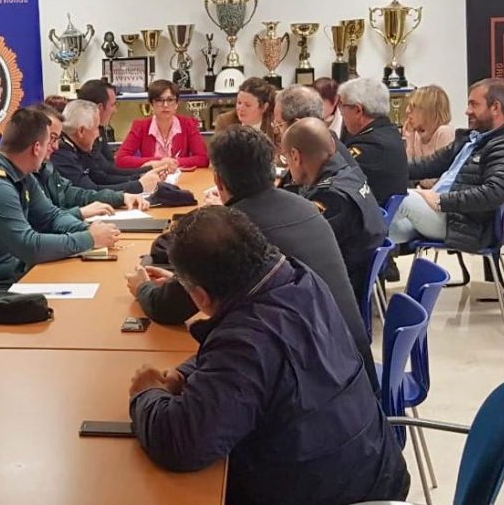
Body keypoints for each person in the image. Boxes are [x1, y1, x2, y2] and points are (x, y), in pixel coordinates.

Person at [128, 207, 409, 505]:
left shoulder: (244, 341)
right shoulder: (299, 278)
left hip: (329, 493)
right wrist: (187, 373)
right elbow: (259, 365)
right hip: (375, 472)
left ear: (200, 298)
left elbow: (184, 443)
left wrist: (146, 392)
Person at [127, 126, 379, 393]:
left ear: (219, 180)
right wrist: (185, 282)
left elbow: (167, 308)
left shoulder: (231, 230)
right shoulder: (304, 205)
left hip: (316, 387)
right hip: (351, 372)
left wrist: (142, 287)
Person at [0, 108, 121, 314]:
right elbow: (30, 247)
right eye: (50, 141)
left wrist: (88, 229)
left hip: (8, 274)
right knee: (74, 312)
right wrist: (89, 239)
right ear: (36, 147)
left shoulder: (20, 175)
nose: (54, 148)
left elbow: (51, 217)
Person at [389, 78, 504, 252]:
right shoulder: (471, 138)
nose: (467, 111)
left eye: (474, 105)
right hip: (442, 215)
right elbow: (429, 164)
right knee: (368, 233)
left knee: (400, 198)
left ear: (495, 108)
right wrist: (385, 170)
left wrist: (442, 200)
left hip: (464, 225)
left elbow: (494, 193)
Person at [282, 118, 387, 304]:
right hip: (352, 279)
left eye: (286, 160)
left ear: (295, 156)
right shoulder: (348, 174)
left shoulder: (331, 198)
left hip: (337, 298)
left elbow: (300, 250)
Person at [32, 102, 150, 218]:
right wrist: (82, 216)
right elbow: (43, 220)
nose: (55, 146)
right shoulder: (59, 156)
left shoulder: (47, 168)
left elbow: (78, 194)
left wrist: (121, 197)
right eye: (52, 138)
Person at [54, 99, 164, 194]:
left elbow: (100, 177)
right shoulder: (61, 153)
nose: (98, 134)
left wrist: (143, 174)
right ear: (81, 131)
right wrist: (139, 185)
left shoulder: (78, 147)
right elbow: (90, 191)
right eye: (96, 128)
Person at [339, 77, 409, 206]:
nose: (341, 113)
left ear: (358, 110)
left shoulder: (371, 145)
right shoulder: (387, 131)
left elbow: (334, 175)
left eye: (342, 106)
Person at [75, 79, 167, 176]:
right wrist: (142, 180)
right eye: (113, 104)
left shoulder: (99, 130)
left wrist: (148, 169)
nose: (115, 110)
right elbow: (103, 178)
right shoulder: (84, 138)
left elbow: (111, 169)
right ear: (99, 108)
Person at [116, 79, 209, 169]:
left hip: (181, 178)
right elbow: (121, 159)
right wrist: (158, 162)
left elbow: (203, 159)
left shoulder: (188, 125)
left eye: (170, 100)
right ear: (152, 105)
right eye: (159, 100)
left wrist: (175, 162)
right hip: (152, 179)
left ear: (176, 104)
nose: (165, 105)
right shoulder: (140, 126)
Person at [403, 85, 456, 188]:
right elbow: (406, 172)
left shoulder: (444, 132)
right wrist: (409, 142)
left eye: (413, 107)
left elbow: (437, 180)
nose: (407, 111)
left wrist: (418, 184)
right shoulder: (417, 135)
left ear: (429, 112)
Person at [235, 77, 278, 145]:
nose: (240, 108)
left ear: (264, 107)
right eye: (239, 102)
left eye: (247, 105)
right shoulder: (224, 121)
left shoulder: (274, 125)